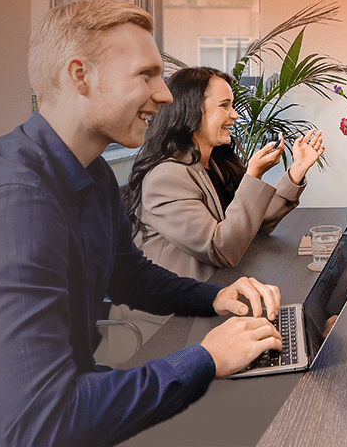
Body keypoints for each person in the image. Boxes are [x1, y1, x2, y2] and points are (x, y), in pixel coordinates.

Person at [0, 0, 287, 447]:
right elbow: (39, 423)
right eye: (146, 75)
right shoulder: (9, 211)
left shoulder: (92, 173)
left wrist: (216, 297)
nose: (163, 94)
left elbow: (129, 276)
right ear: (79, 75)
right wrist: (205, 359)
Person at [108, 66, 323, 346]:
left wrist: (295, 173)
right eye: (225, 106)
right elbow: (222, 248)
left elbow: (252, 224)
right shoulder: (167, 177)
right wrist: (253, 176)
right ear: (193, 112)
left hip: (219, 298)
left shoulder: (212, 164)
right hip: (171, 325)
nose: (234, 114)